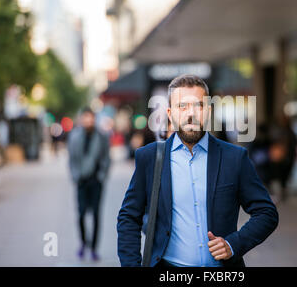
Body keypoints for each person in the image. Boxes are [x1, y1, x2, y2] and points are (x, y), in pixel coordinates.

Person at [117, 74, 279, 267]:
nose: (190, 114)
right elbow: (128, 217)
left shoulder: (234, 158)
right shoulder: (149, 158)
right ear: (170, 113)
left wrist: (233, 244)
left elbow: (266, 212)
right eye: (182, 106)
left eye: (198, 106)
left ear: (208, 111)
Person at [68, 107, 111, 261]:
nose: (88, 121)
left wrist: (102, 176)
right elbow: (71, 159)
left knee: (96, 215)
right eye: (85, 118)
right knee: (80, 214)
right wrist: (75, 176)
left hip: (96, 181)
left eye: (91, 118)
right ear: (81, 119)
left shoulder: (102, 136)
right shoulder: (74, 136)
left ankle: (93, 248)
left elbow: (106, 158)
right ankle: (83, 243)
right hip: (81, 181)